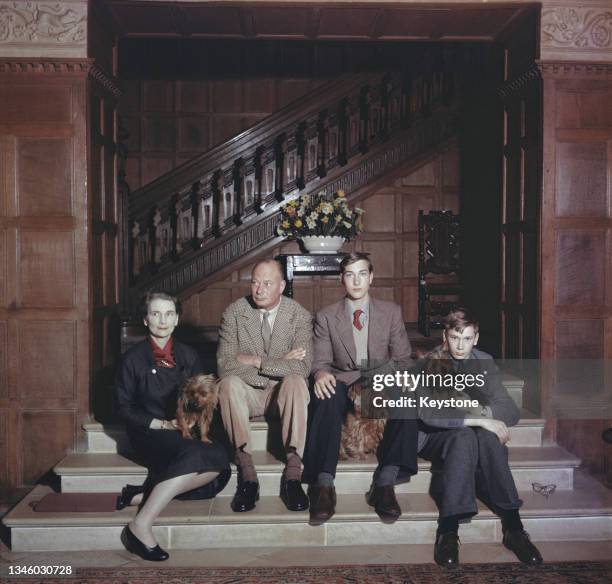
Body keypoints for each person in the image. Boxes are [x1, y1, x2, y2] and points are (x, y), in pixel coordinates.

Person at [416, 307, 542, 567]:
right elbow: (429, 415)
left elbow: (509, 409)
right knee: (465, 437)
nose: (460, 346)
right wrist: (480, 419)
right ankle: (448, 531)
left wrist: (485, 413)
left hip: (470, 434)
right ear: (445, 337)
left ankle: (513, 527)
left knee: (487, 438)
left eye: (466, 339)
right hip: (435, 437)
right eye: (454, 338)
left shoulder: (484, 361)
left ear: (476, 338)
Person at [302, 252, 419, 525]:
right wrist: (320, 374)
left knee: (406, 394)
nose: (356, 281)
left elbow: (402, 359)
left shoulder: (391, 311)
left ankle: (385, 484)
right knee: (325, 395)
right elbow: (320, 361)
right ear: (341, 279)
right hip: (343, 381)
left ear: (371, 277)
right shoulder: (327, 316)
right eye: (350, 275)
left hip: (379, 379)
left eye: (362, 274)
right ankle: (323, 485)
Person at [115, 291, 231, 561]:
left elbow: (199, 396)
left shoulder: (188, 355)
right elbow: (122, 407)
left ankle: (144, 493)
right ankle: (140, 525)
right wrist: (159, 423)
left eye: (168, 314)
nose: (162, 320)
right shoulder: (132, 359)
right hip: (149, 432)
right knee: (196, 455)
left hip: (182, 429)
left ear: (177, 319)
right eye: (155, 314)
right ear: (145, 320)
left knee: (220, 462)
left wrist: (188, 420)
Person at [217, 259, 312, 513]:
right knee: (227, 384)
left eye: (267, 283)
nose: (258, 289)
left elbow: (302, 368)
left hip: (282, 396)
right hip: (247, 394)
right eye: (255, 282)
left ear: (281, 286)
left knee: (295, 381)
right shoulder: (234, 312)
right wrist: (277, 366)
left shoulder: (299, 315)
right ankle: (247, 474)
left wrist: (257, 361)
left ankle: (293, 474)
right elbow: (225, 365)